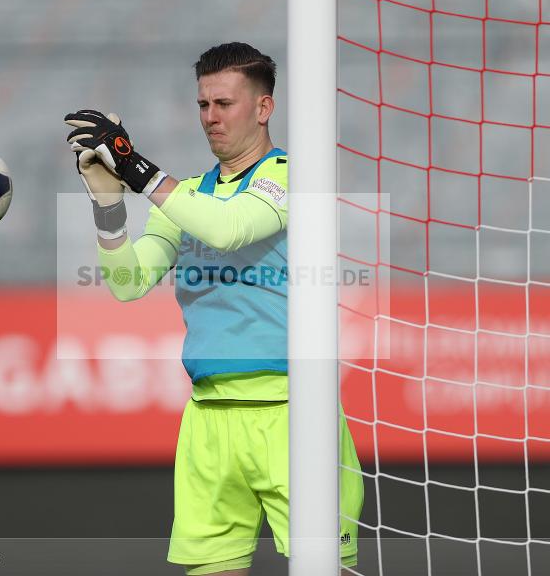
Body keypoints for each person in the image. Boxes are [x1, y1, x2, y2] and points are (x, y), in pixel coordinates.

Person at [64, 42, 363, 576]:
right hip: (208, 417)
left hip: (294, 414)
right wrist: (108, 204)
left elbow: (229, 229)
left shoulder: (293, 175)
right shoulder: (191, 194)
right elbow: (129, 283)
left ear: (264, 108)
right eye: (203, 104)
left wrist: (134, 167)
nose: (210, 117)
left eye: (224, 103)